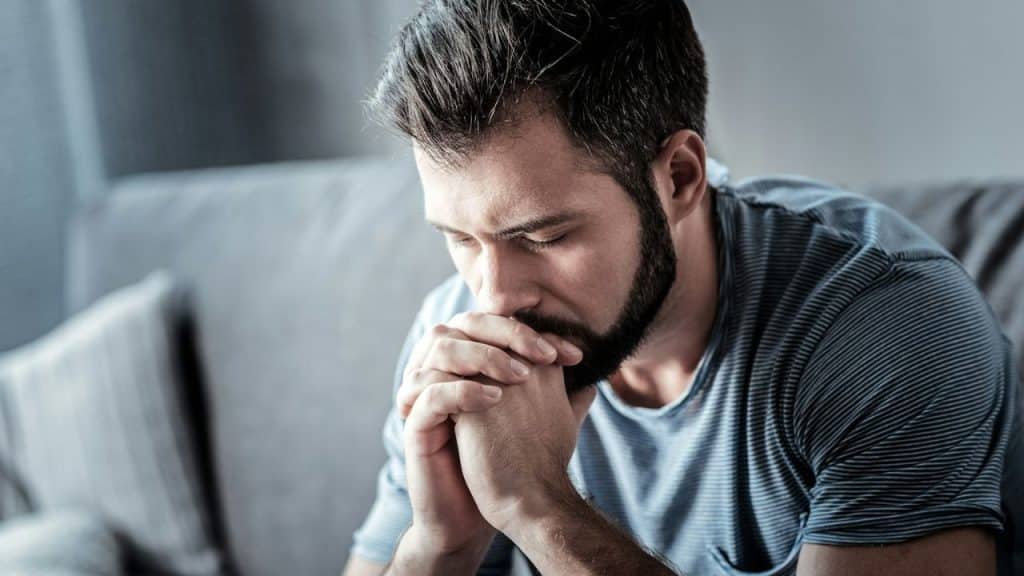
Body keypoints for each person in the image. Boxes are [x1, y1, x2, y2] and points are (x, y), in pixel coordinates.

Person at [343, 1, 1022, 574]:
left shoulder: (883, 325)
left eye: (544, 236)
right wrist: (440, 545)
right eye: (460, 239)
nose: (492, 296)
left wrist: (540, 509)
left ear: (679, 178)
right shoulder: (460, 345)